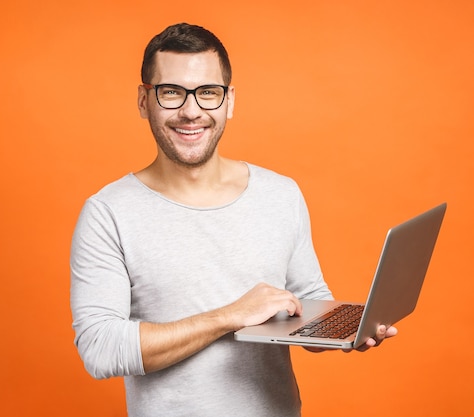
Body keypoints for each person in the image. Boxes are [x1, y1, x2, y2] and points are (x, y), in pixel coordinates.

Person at [70, 23, 397, 417]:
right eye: (171, 92)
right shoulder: (108, 212)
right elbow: (100, 349)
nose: (191, 111)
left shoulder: (281, 193)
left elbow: (306, 300)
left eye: (208, 93)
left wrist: (346, 330)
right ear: (144, 100)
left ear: (229, 101)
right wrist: (228, 317)